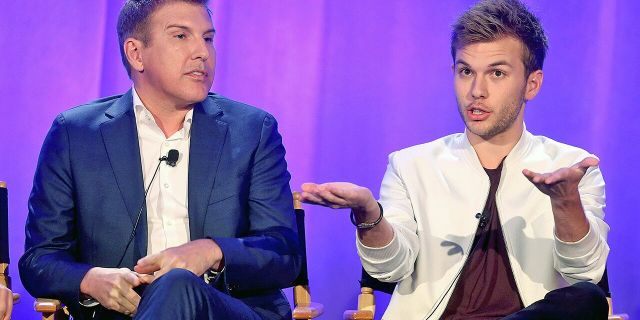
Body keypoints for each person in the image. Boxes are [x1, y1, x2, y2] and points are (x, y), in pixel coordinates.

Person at [301, 0, 609, 319]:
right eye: (466, 72)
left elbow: (585, 271)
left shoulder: (571, 167)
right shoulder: (411, 165)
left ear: (532, 83)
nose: (477, 90)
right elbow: (390, 269)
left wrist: (565, 203)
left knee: (587, 298)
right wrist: (369, 213)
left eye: (497, 73)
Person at [19, 1, 300, 319]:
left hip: (230, 309)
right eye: (181, 36)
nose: (202, 53)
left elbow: (284, 253)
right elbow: (39, 260)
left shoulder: (252, 131)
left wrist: (211, 251)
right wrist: (90, 279)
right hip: (122, 313)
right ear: (136, 53)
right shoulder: (75, 135)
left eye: (207, 38)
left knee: (178, 284)